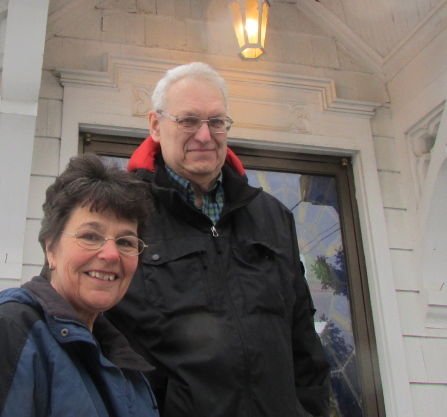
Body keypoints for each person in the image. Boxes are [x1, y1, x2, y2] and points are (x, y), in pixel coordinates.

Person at [107, 62, 331, 417]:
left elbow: (302, 341)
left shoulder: (272, 216)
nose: (204, 135)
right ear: (156, 126)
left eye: (216, 122)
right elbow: (93, 333)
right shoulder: (120, 214)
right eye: (189, 121)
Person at [0, 155, 159, 417]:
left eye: (126, 242)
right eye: (90, 236)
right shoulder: (11, 331)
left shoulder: (123, 361)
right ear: (51, 248)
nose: (111, 254)